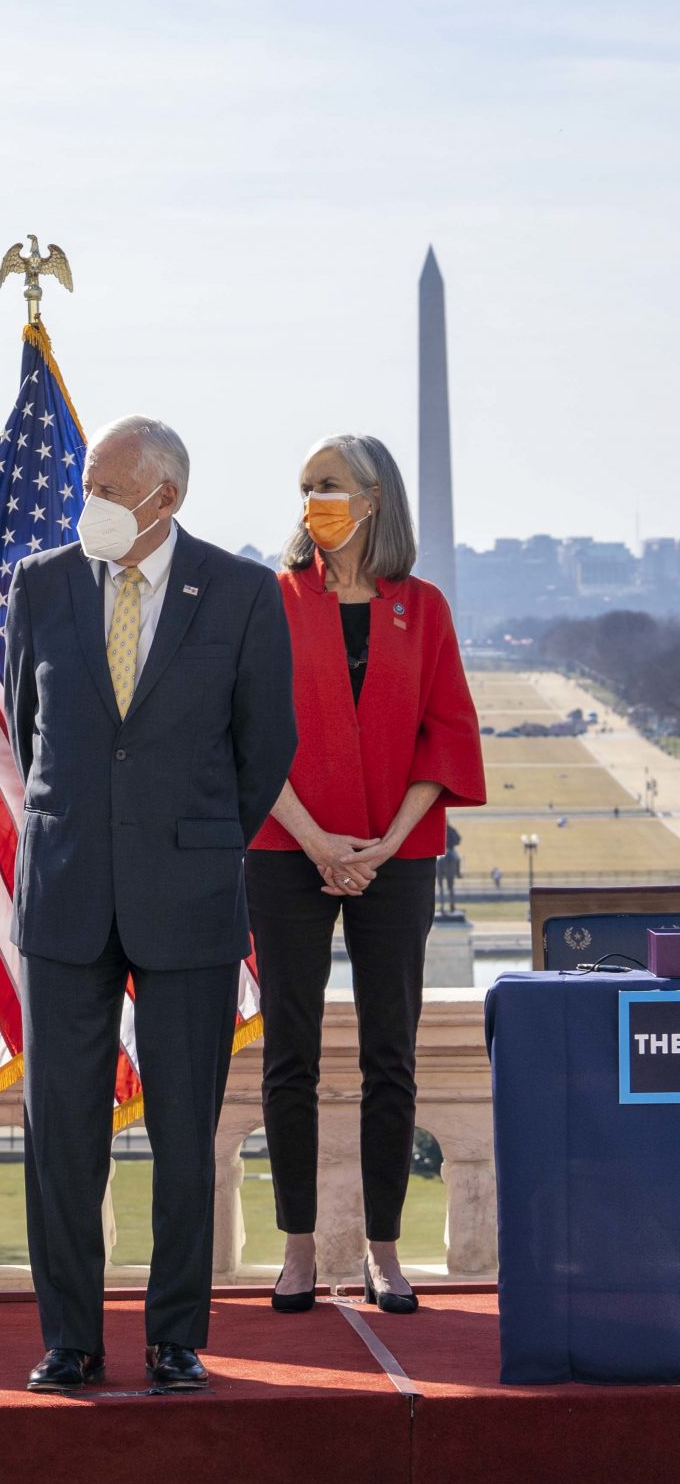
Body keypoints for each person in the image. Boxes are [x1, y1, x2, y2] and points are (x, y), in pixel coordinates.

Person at [2, 414, 296, 1395]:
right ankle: (69, 1339)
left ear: (164, 498)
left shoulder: (245, 592)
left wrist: (192, 834)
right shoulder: (39, 585)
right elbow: (26, 731)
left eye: (108, 489)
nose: (87, 505)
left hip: (190, 897)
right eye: (88, 485)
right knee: (61, 1137)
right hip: (66, 894)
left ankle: (175, 1337)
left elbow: (265, 751)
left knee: (182, 1132)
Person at [249, 435, 482, 1316]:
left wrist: (384, 844)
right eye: (307, 485)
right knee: (290, 1055)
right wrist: (316, 841)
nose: (315, 499)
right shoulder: (270, 602)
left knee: (392, 1053)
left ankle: (385, 1248)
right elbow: (249, 738)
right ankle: (299, 1247)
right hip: (285, 849)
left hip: (398, 854)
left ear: (374, 500)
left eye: (332, 485)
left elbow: (446, 733)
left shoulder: (422, 609)